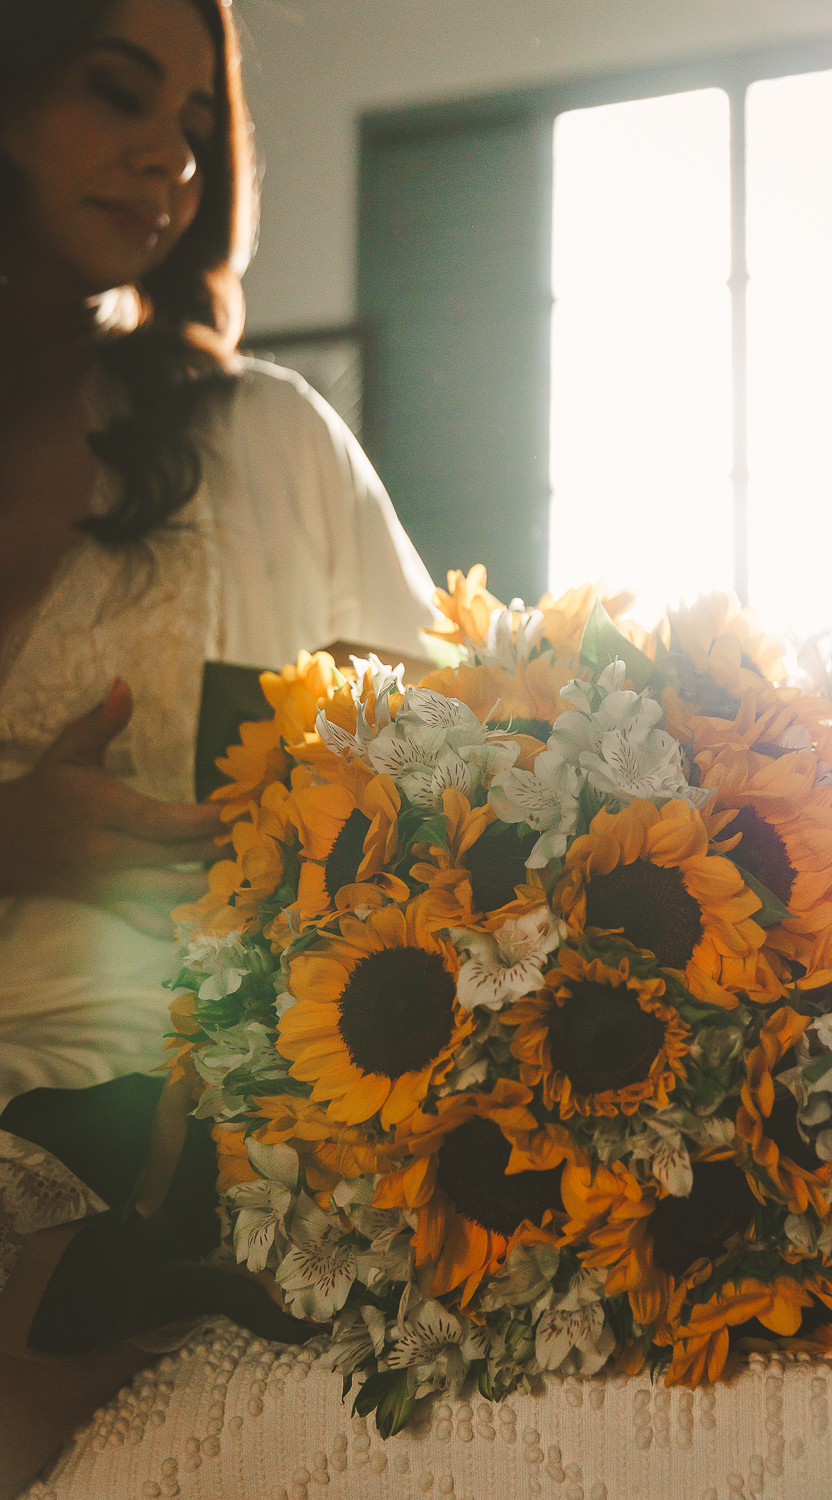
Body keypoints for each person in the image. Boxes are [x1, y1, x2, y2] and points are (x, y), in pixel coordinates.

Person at [0, 0, 437, 1489]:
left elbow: (459, 764)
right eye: (116, 93)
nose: (170, 159)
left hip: (161, 1087)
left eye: (195, 125)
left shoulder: (266, 441)